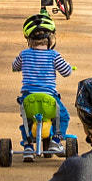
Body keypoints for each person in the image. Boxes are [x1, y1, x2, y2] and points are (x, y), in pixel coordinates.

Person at [11, 10, 73, 144]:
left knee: (26, 121)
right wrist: (69, 67)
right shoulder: (54, 55)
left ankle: (27, 146)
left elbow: (15, 66)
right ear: (50, 39)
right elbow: (66, 72)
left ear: (29, 40)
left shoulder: (24, 54)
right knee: (63, 117)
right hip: (49, 99)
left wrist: (16, 67)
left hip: (29, 98)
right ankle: (56, 140)